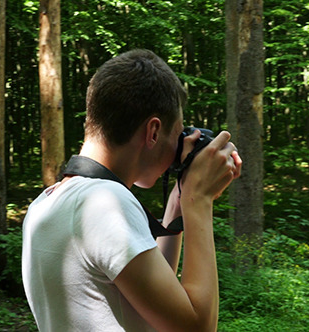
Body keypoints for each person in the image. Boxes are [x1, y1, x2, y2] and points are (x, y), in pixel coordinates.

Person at [22, 49, 242, 332]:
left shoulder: (46, 203)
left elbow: (150, 294)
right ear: (153, 132)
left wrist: (177, 204)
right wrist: (197, 200)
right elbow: (197, 327)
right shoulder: (104, 203)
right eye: (176, 135)